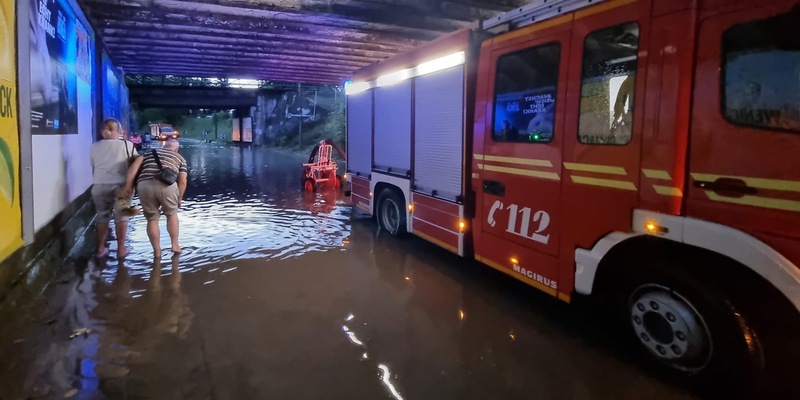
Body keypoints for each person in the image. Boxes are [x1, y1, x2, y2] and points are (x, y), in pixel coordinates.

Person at [123, 139, 188, 257]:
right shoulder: (180, 158)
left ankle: (157, 252)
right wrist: (179, 199)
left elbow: (134, 167)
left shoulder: (148, 153)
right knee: (171, 214)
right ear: (177, 149)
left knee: (152, 219)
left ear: (164, 146)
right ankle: (175, 245)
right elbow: (182, 181)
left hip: (144, 185)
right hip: (167, 186)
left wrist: (128, 186)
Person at [90, 118, 137, 258]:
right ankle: (121, 249)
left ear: (102, 131)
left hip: (99, 185)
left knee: (102, 216)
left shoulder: (94, 146)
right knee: (122, 217)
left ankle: (100, 248)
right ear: (118, 130)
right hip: (121, 187)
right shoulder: (127, 145)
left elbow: (93, 164)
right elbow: (135, 165)